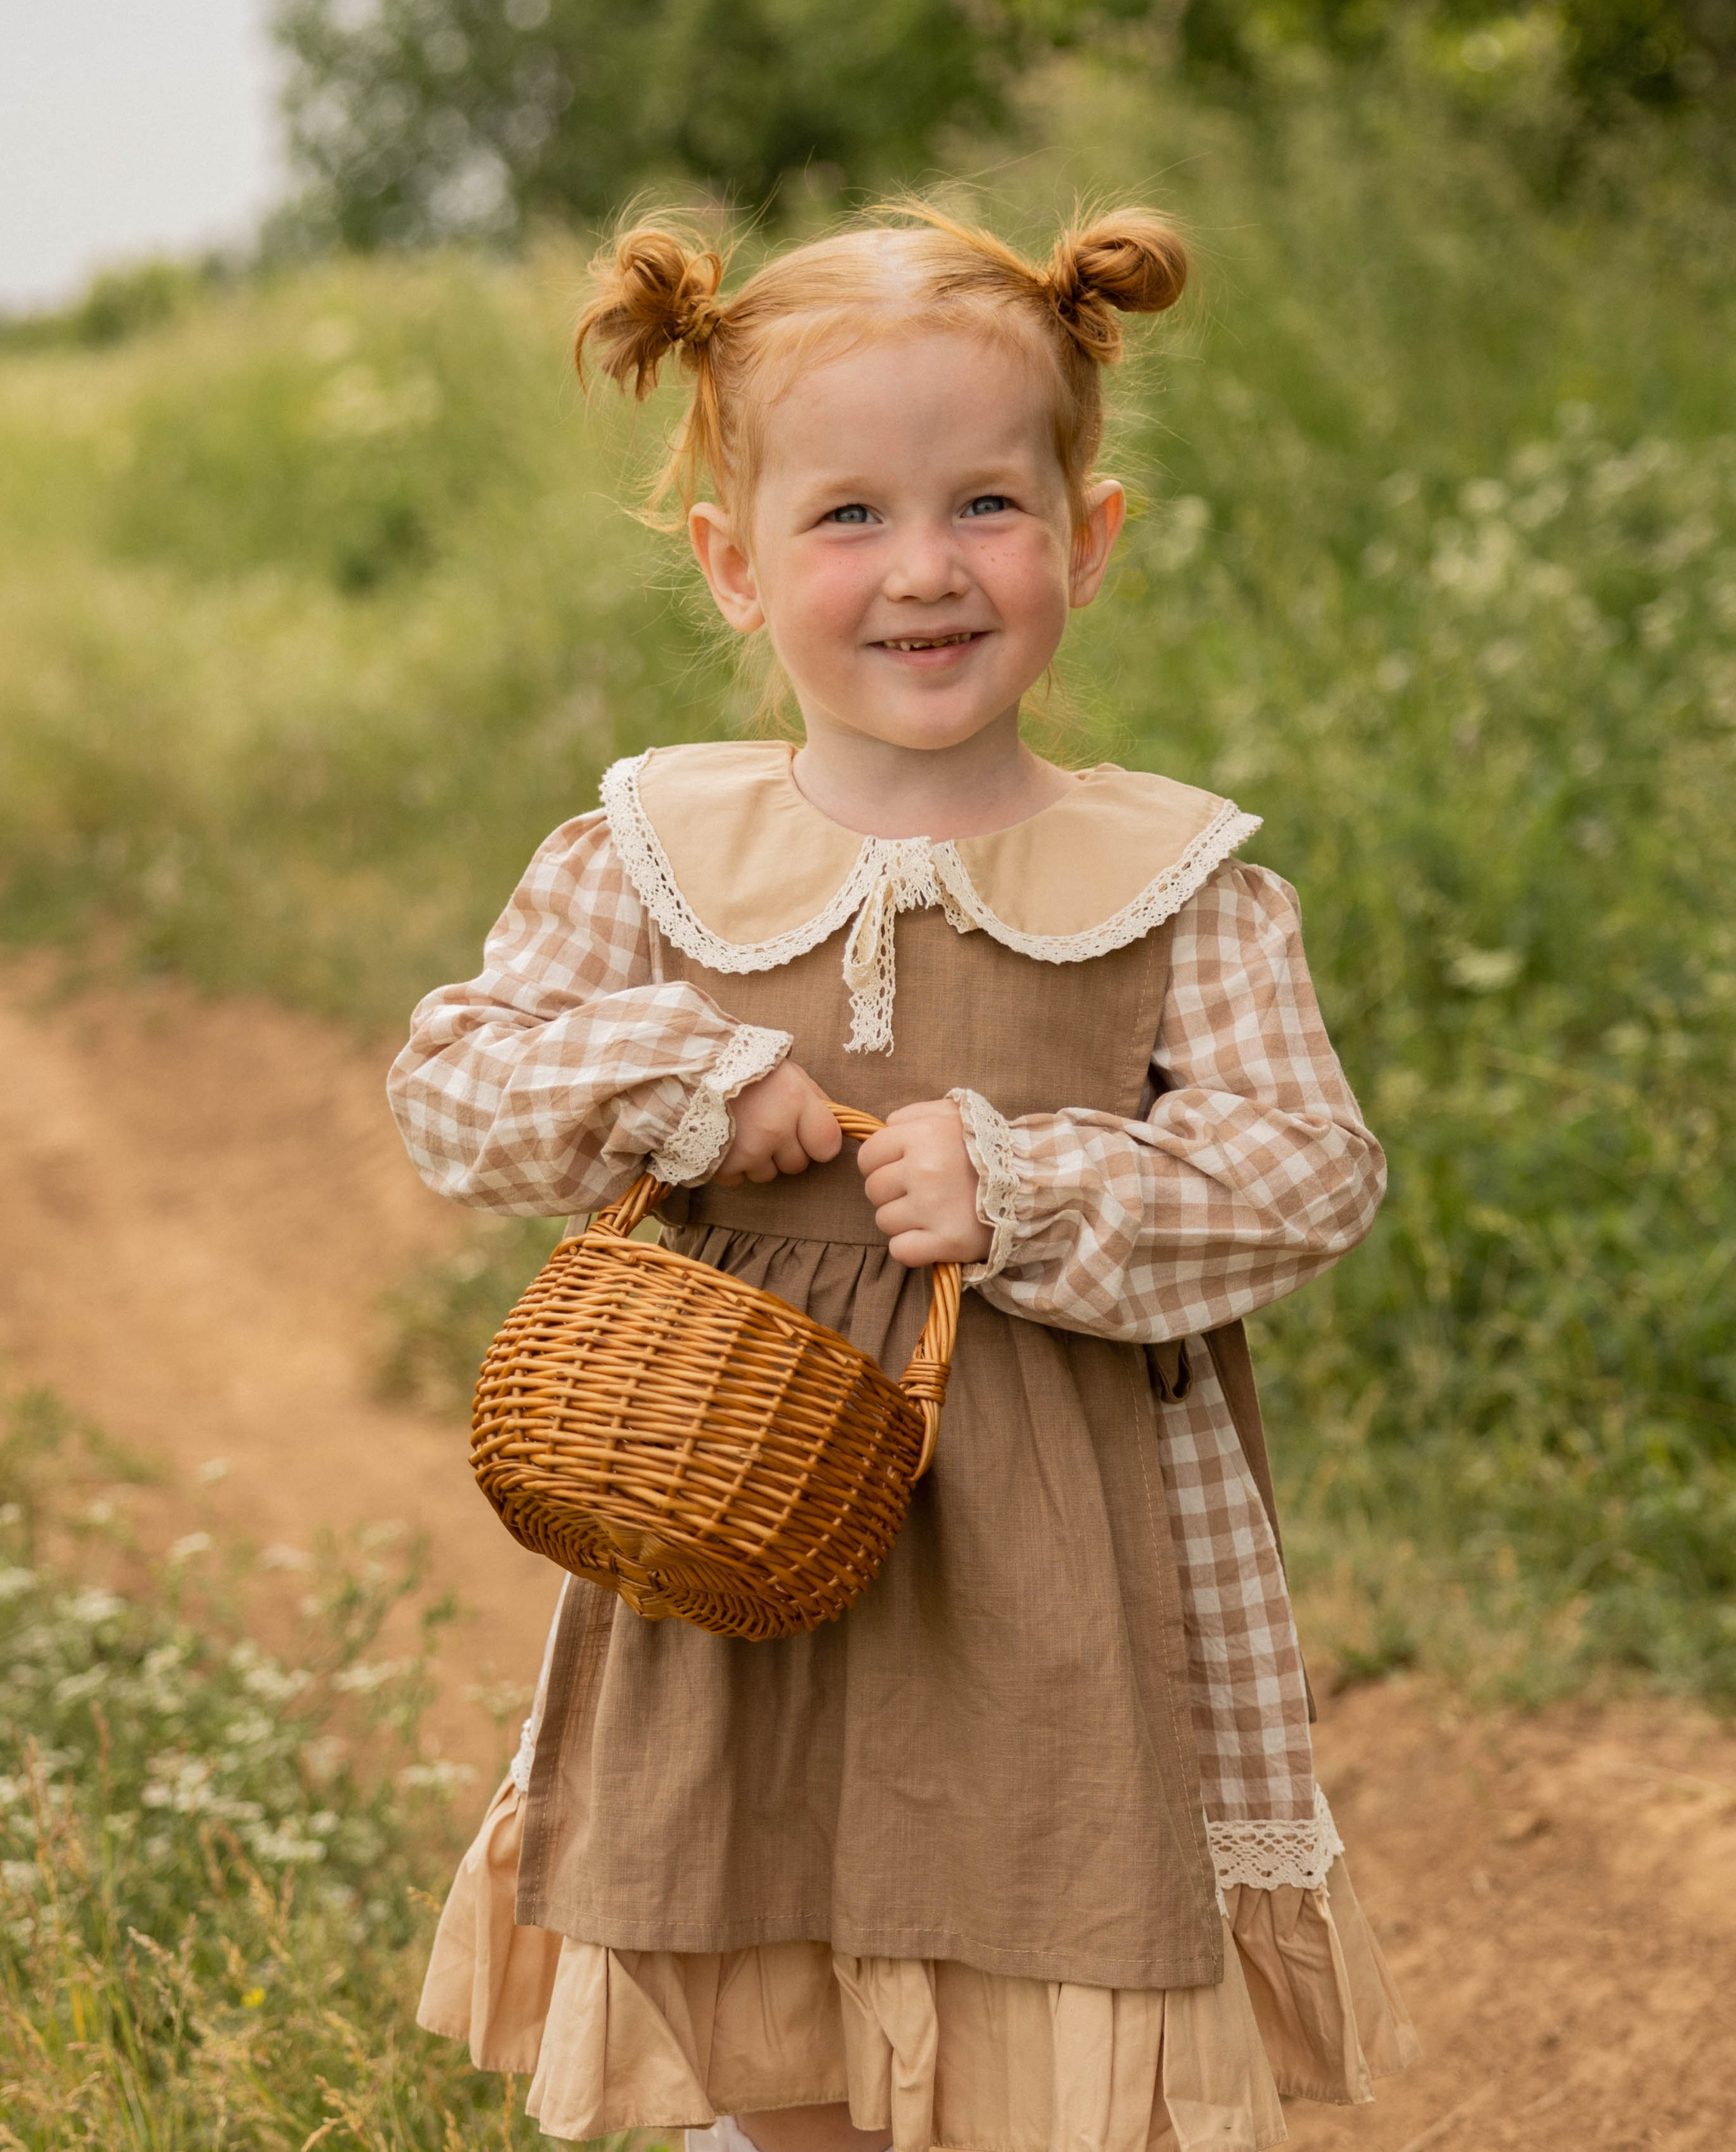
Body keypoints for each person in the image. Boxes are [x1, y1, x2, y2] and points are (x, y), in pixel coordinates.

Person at [389, 205, 1419, 2152]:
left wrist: (1032, 1189)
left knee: (1049, 1964)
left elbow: (1306, 1175)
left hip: (1057, 1575)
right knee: (762, 1953)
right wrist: (683, 1070)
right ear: (736, 566)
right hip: (734, 1551)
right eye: (849, 517)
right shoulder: (650, 860)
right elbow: (454, 1094)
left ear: (1088, 537)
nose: (925, 570)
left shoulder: (1184, 891)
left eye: (987, 508)